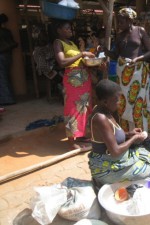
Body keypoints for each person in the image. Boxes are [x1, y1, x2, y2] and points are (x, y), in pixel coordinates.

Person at [88, 79, 150, 187]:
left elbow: (111, 135)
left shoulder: (105, 110)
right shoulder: (100, 118)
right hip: (106, 166)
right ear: (105, 102)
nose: (120, 103)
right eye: (117, 100)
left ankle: (122, 181)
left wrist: (129, 134)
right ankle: (105, 181)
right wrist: (134, 139)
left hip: (114, 159)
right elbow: (115, 152)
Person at [104, 8, 150, 133]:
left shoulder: (140, 31)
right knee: (124, 101)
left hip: (138, 72)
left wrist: (138, 59)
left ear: (129, 20)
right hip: (123, 72)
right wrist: (105, 51)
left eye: (121, 22)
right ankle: (128, 133)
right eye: (118, 22)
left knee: (139, 102)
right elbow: (115, 55)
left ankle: (142, 132)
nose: (119, 25)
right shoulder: (119, 36)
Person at [53, 20, 95, 149]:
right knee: (72, 109)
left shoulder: (71, 43)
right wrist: (82, 54)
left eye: (70, 28)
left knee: (85, 107)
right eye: (66, 28)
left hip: (83, 77)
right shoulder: (58, 43)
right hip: (72, 79)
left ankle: (82, 135)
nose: (70, 30)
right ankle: (72, 140)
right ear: (59, 30)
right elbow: (62, 62)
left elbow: (78, 60)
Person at [0, 13, 17, 106]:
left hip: (1, 55)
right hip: (8, 56)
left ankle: (7, 99)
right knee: (6, 76)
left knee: (2, 78)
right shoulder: (7, 31)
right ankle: (9, 97)